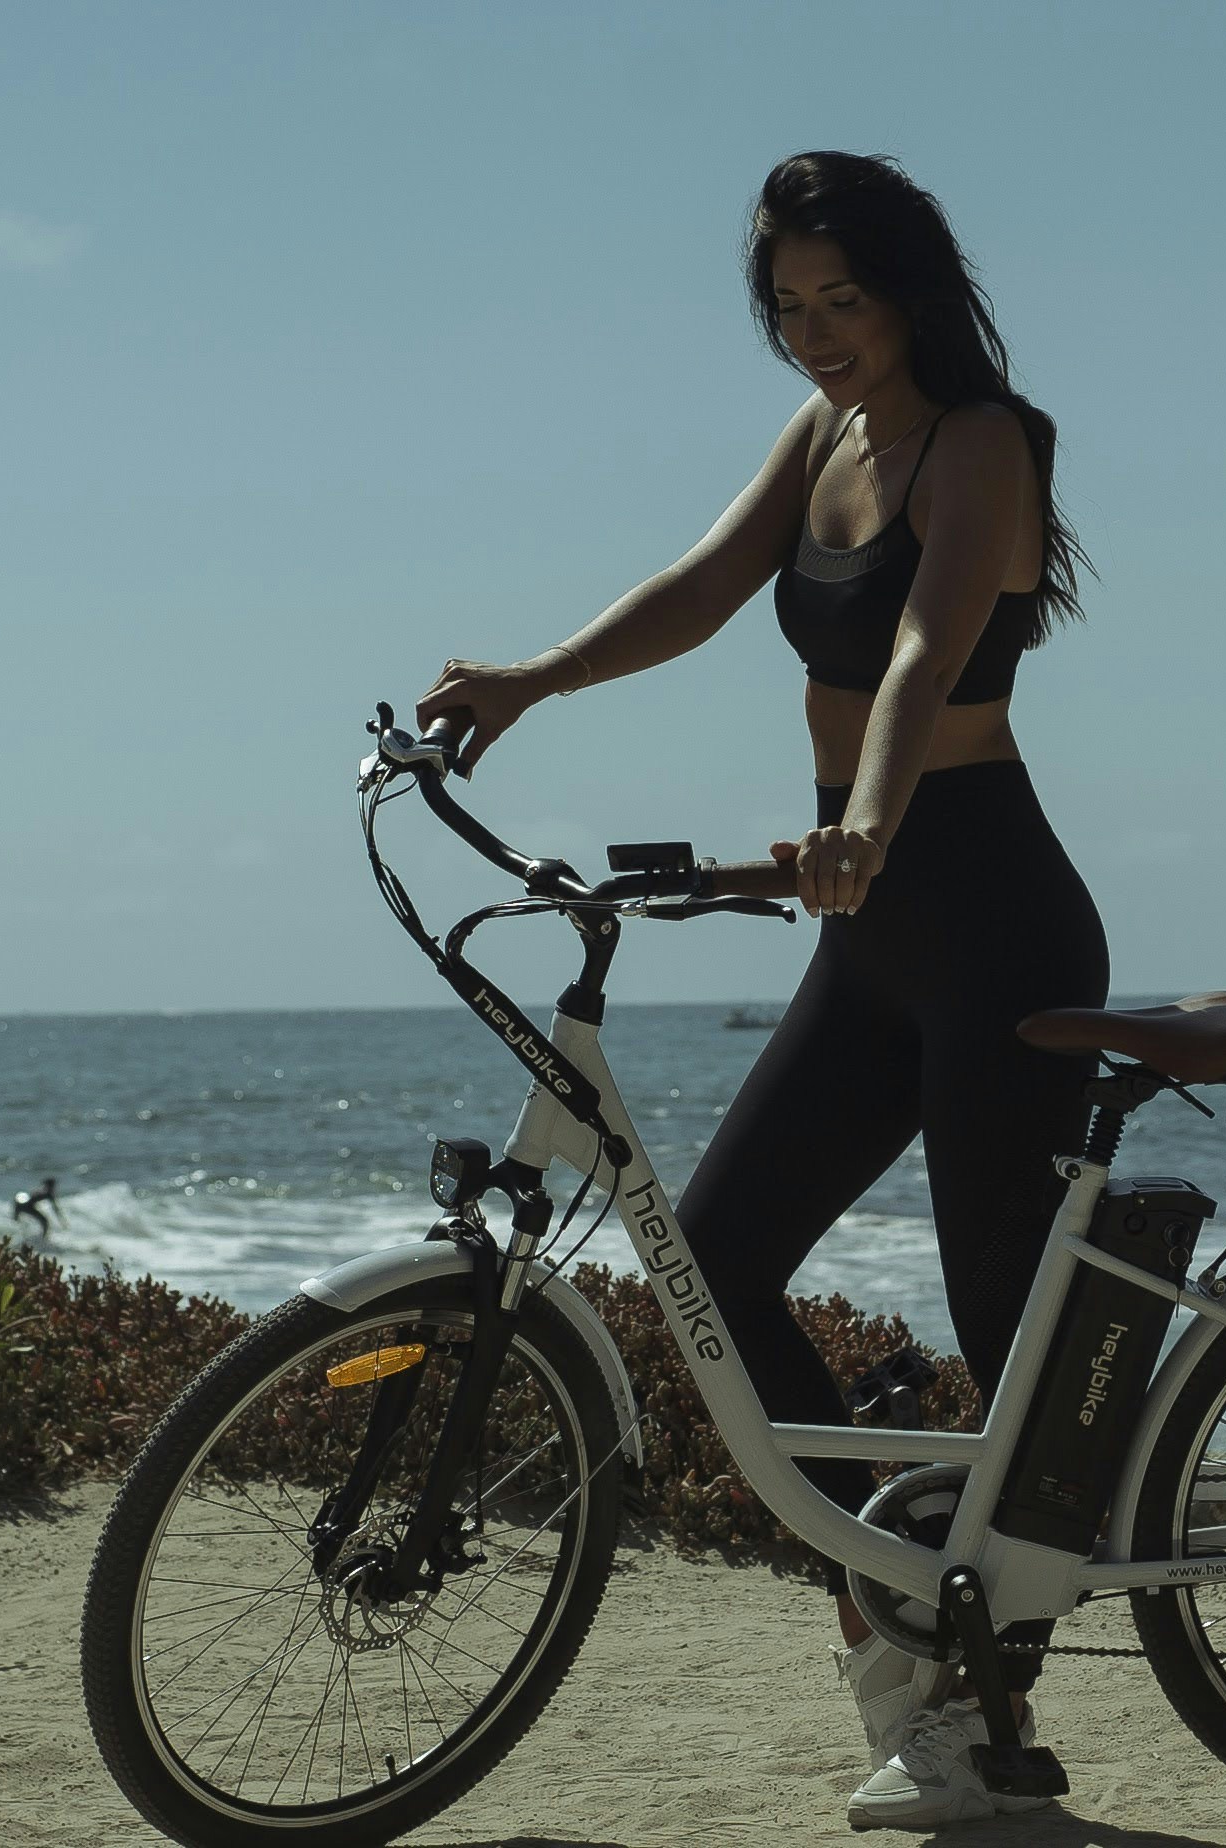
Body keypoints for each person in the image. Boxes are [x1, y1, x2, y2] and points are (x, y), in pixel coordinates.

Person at [415, 151, 1108, 1830]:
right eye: (786, 308)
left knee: (1009, 1338)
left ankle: (976, 1715)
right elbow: (702, 587)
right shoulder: (827, 439)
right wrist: (527, 680)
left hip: (988, 913)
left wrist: (863, 820)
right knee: (716, 1262)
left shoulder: (982, 446)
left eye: (840, 301)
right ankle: (901, 1595)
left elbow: (923, 657)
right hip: (866, 925)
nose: (812, 336)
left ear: (910, 289)